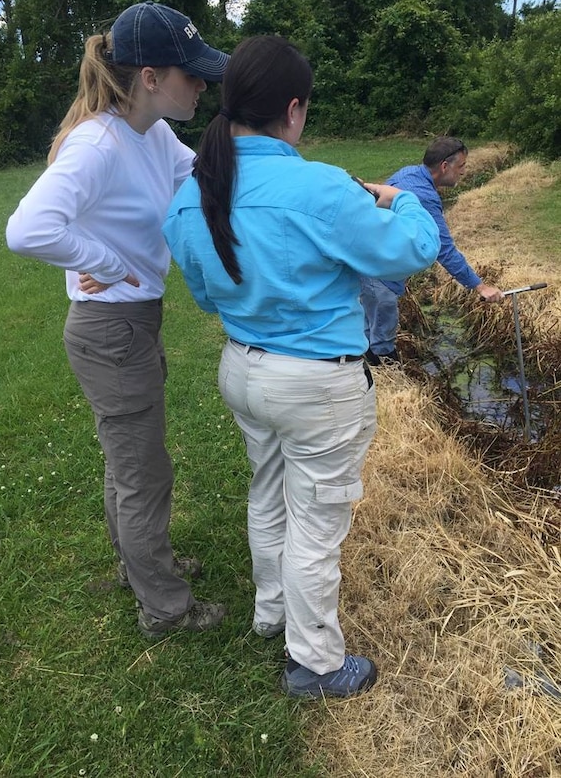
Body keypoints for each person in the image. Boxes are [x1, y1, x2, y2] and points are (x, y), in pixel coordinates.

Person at [162, 35, 441, 699]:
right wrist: (397, 198)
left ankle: (272, 612)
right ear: (293, 109)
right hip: (316, 383)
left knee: (268, 489)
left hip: (243, 369)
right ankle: (314, 663)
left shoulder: (191, 193)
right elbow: (413, 250)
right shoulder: (319, 188)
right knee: (317, 521)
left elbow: (205, 293)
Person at [6, 1, 230, 639]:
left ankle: (142, 568)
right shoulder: (98, 141)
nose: (203, 85)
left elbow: (205, 174)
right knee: (143, 474)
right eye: (193, 74)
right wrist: (103, 258)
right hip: (111, 328)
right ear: (151, 77)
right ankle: (165, 606)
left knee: (128, 464)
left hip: (129, 324)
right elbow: (27, 230)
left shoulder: (150, 132)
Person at [361, 136, 505, 365]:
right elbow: (444, 250)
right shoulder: (424, 197)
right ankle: (390, 383)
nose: (464, 172)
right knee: (381, 344)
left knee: (367, 332)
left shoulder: (409, 173)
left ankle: (373, 372)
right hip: (382, 275)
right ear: (444, 166)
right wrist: (480, 286)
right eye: (462, 167)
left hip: (370, 263)